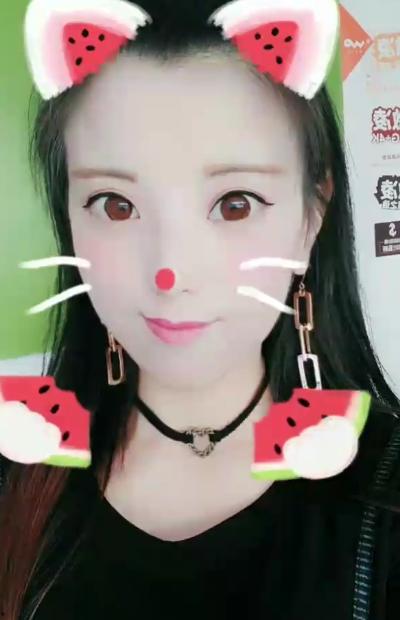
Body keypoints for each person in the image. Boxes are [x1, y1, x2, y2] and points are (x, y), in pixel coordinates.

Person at [0, 0, 400, 618]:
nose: (172, 272)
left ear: (312, 215)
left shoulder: (388, 495)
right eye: (115, 204)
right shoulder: (17, 477)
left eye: (235, 204)